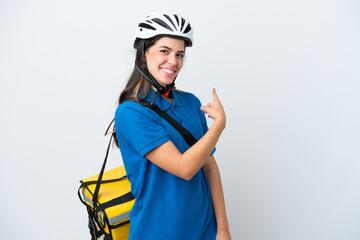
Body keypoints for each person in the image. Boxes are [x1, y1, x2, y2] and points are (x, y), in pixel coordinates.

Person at [113, 12, 231, 240]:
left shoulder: (190, 102)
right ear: (144, 52)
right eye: (164, 51)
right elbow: (184, 168)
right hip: (157, 233)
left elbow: (209, 168)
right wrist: (219, 125)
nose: (173, 61)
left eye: (180, 54)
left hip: (205, 230)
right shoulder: (131, 112)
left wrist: (223, 229)